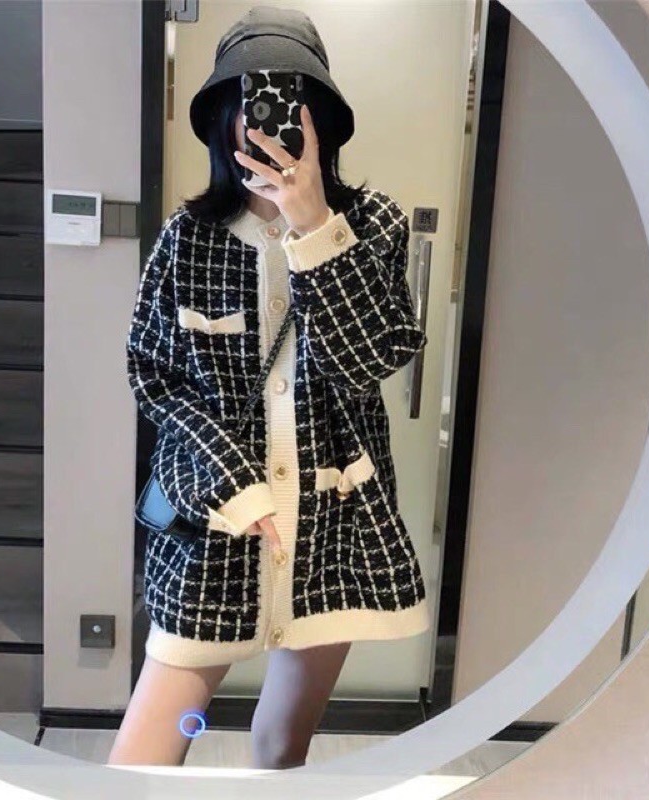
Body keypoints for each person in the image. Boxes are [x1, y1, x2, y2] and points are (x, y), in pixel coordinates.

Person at [111, 7, 429, 770]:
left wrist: (313, 225)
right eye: (249, 102)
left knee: (283, 745)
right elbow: (153, 374)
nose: (268, 123)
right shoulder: (188, 237)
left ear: (320, 118)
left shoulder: (375, 225)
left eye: (290, 101)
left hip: (336, 532)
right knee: (145, 757)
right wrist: (233, 481)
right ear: (223, 116)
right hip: (214, 526)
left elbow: (368, 362)